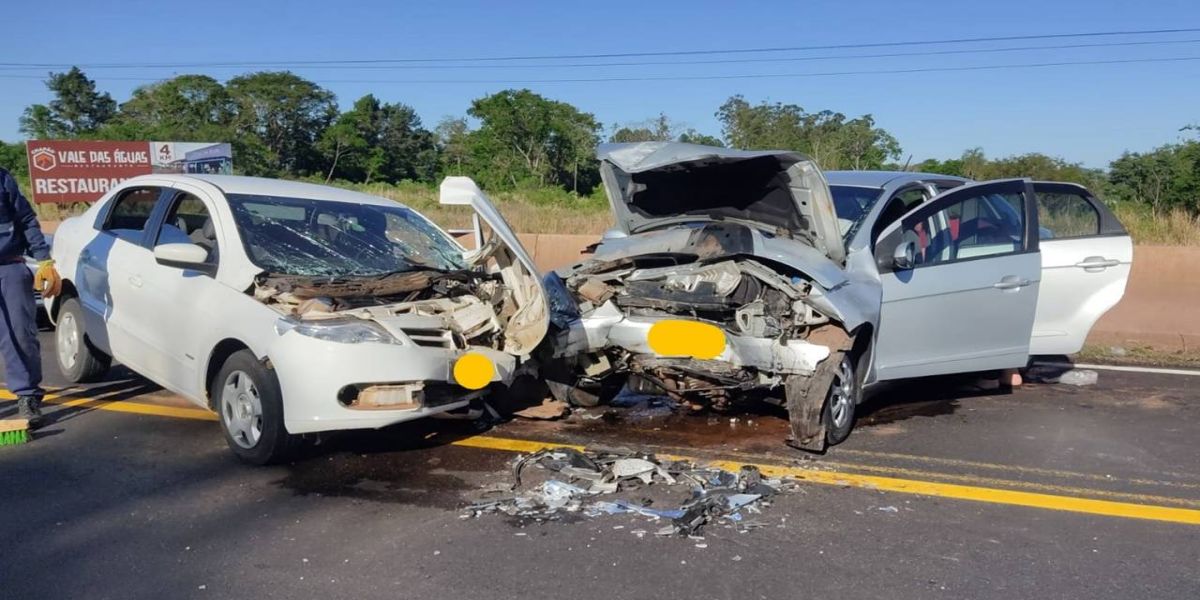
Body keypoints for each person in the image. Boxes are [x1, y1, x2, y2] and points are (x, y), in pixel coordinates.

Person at [0, 168, 60, 429]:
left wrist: (44, 258)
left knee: (20, 334)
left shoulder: (2, 179)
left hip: (9, 267)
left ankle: (27, 396)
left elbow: (26, 219)